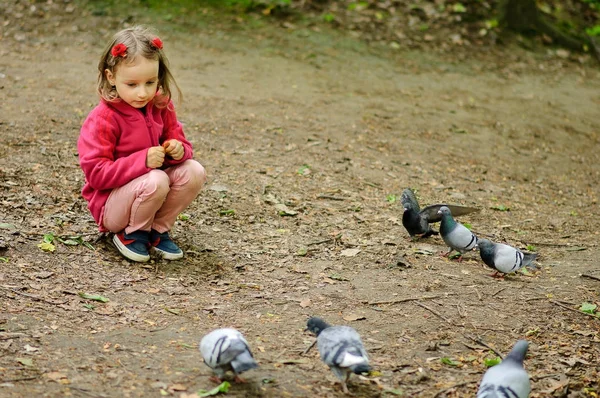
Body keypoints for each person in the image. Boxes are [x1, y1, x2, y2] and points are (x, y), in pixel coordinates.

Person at [77, 26, 206, 262]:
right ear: (111, 77)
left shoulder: (161, 105)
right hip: (112, 207)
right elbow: (96, 175)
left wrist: (177, 150)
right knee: (157, 179)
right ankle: (132, 233)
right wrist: (142, 161)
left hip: (150, 193)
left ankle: (157, 230)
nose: (143, 93)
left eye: (150, 82)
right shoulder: (103, 118)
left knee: (194, 171)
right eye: (132, 84)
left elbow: (184, 145)